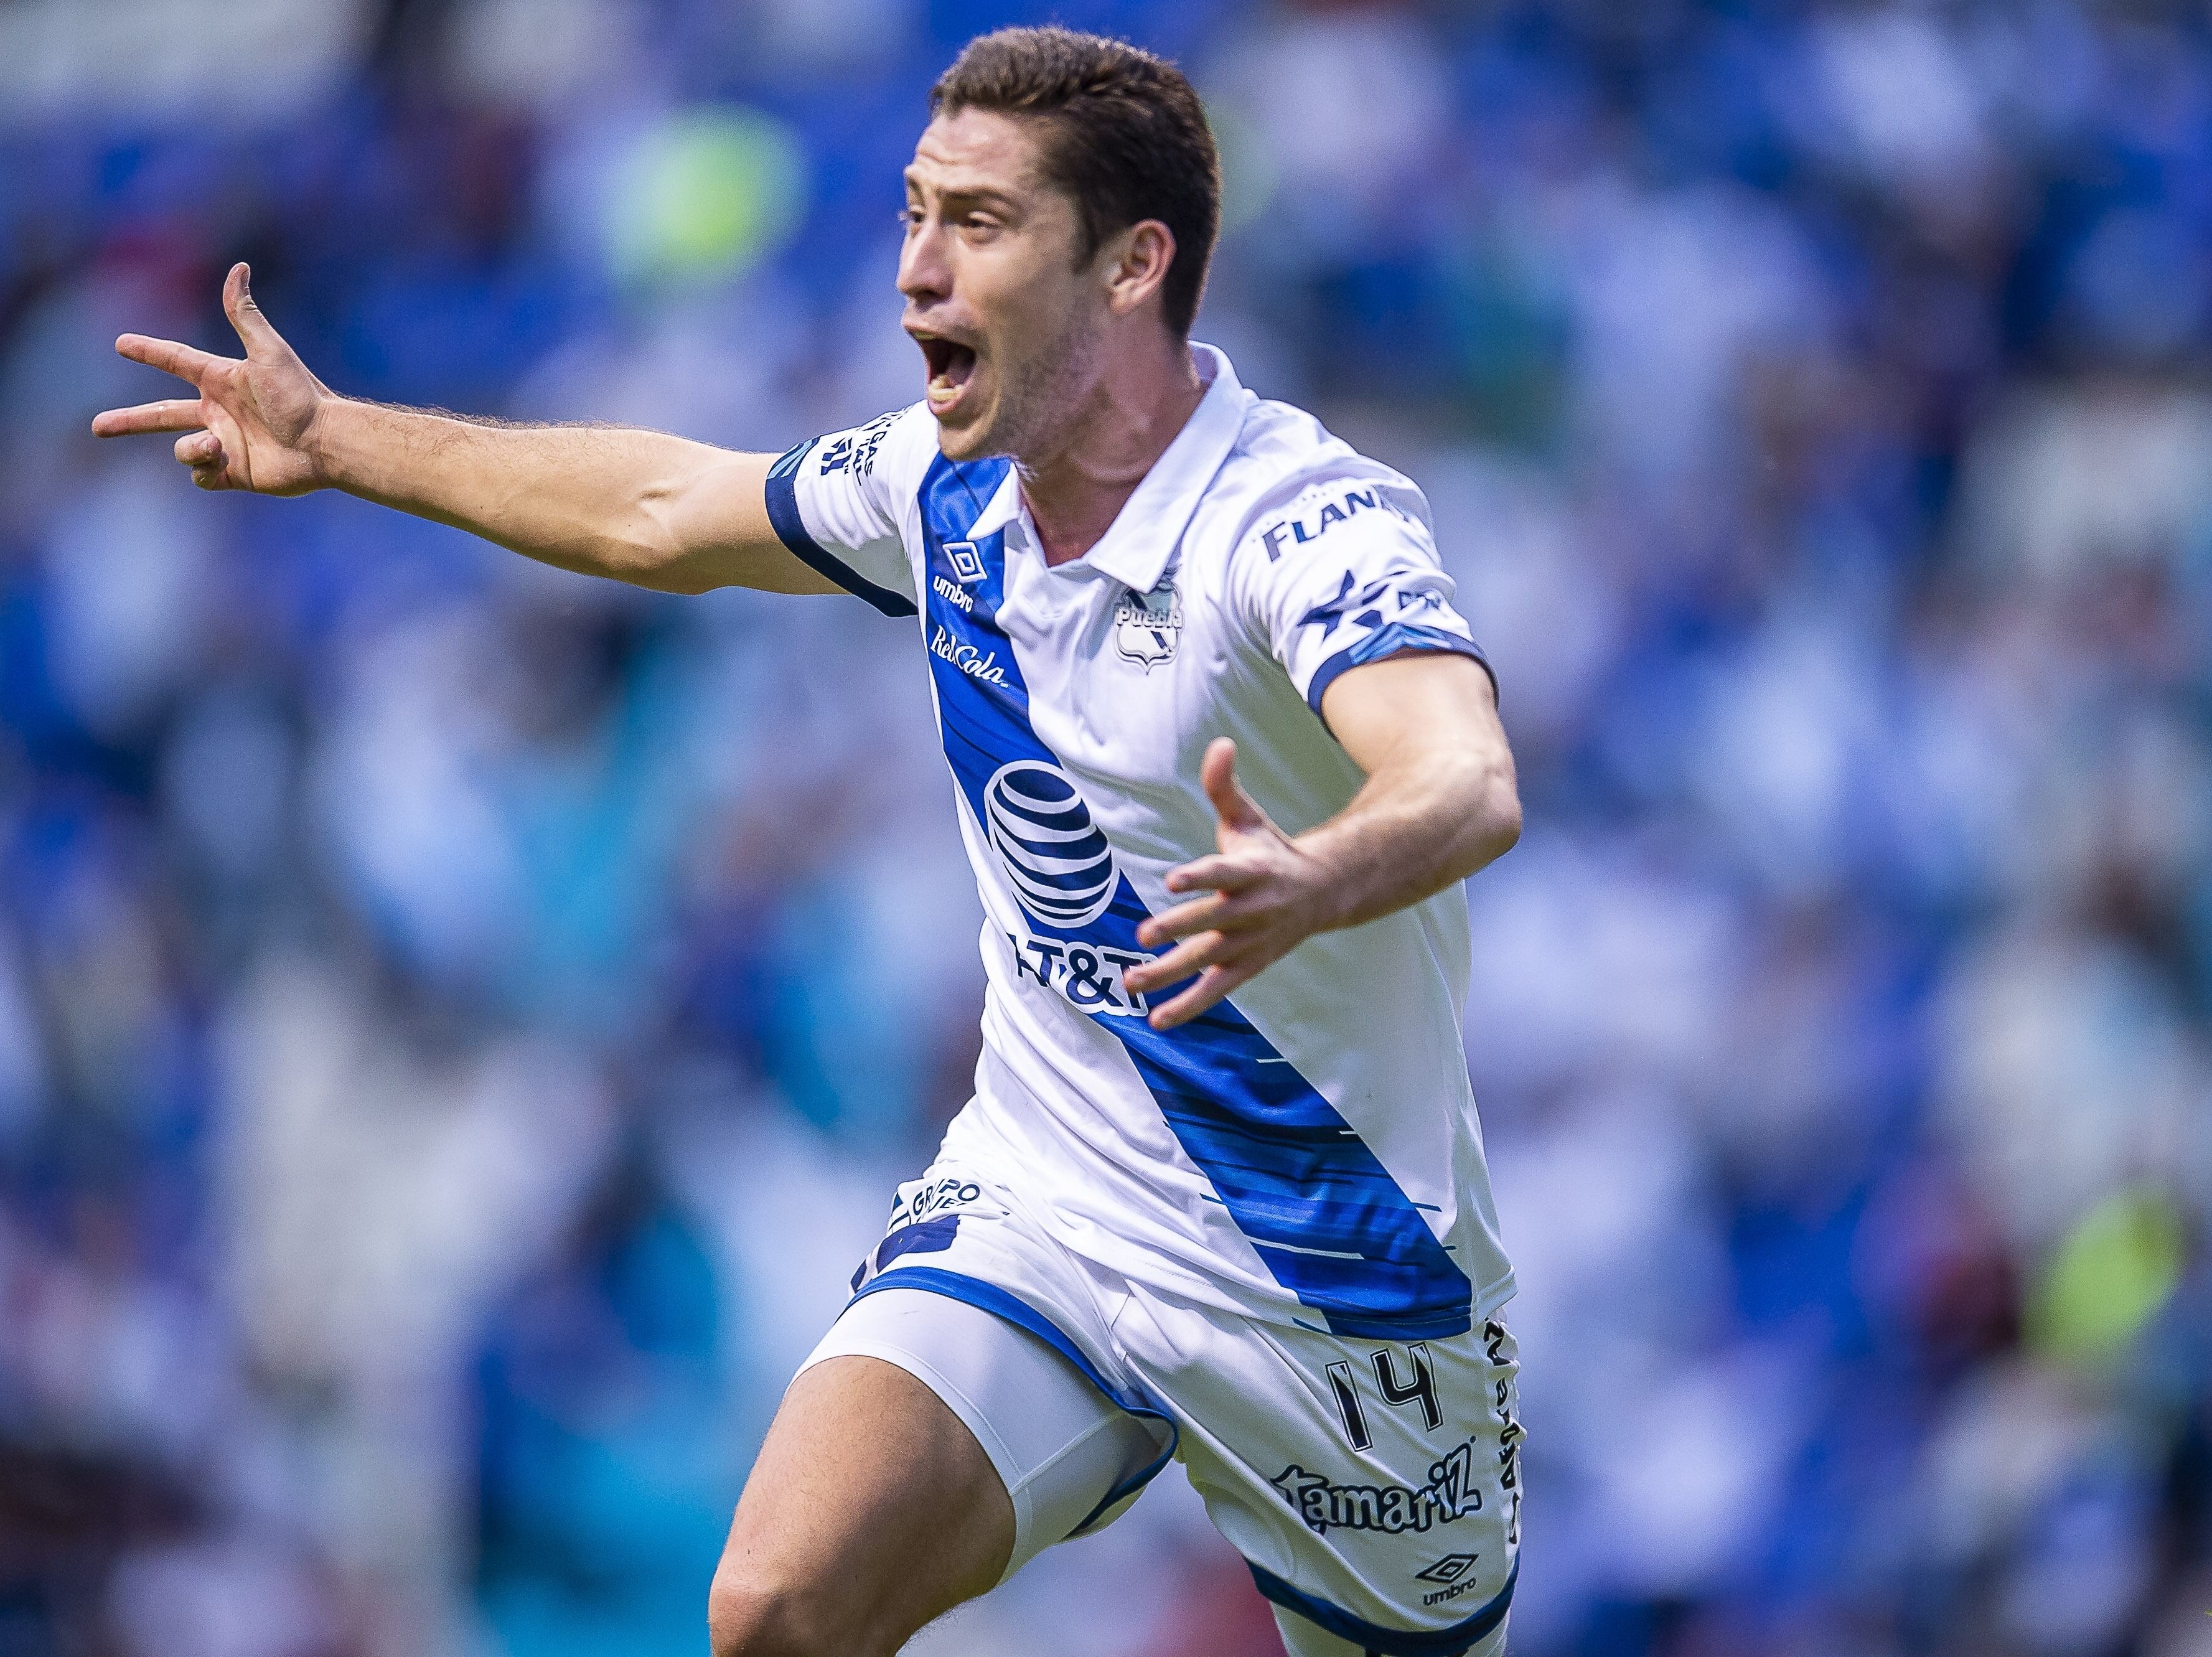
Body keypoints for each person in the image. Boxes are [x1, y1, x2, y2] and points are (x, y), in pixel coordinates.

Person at [95, 26, 1525, 1657]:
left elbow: (1464, 774)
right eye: (914, 215)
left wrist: (1317, 873)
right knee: (776, 1604)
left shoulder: (1301, 522)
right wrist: (337, 437)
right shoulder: (945, 489)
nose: (915, 271)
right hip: (1055, 1202)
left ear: (1133, 267)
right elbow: (661, 513)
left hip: (1335, 1270)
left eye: (977, 225)